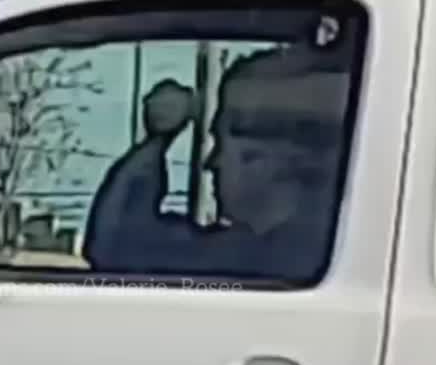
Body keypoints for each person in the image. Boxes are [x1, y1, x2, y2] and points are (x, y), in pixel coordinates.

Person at [83, 42, 351, 282]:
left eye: (222, 144)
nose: (212, 163)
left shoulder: (253, 260)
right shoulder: (318, 249)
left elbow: (115, 244)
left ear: (268, 158)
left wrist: (160, 138)